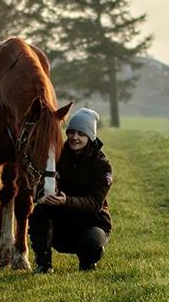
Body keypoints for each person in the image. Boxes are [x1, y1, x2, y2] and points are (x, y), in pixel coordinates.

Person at [29, 107, 112, 273]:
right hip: (62, 221)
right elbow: (41, 182)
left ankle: (88, 262)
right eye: (71, 132)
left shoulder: (103, 166)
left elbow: (95, 203)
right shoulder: (56, 156)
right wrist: (40, 195)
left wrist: (66, 201)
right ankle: (43, 264)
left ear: (90, 137)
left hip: (91, 221)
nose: (75, 137)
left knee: (92, 240)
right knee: (39, 213)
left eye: (81, 134)